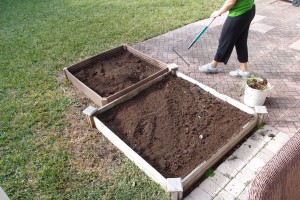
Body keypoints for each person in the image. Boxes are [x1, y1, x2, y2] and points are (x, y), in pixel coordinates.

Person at [199, 0, 256, 78]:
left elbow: (230, 2)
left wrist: (219, 12)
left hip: (239, 13)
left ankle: (213, 66)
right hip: (249, 9)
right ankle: (244, 71)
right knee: (241, 41)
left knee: (225, 40)